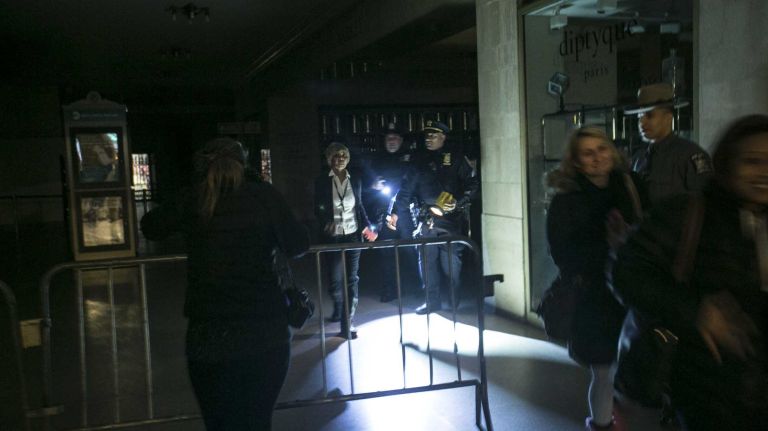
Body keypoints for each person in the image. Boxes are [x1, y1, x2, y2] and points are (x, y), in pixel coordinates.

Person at [140, 138, 309, 430]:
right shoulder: (264, 196)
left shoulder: (195, 197)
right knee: (257, 421)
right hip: (265, 328)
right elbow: (298, 245)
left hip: (210, 332)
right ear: (244, 164)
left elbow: (151, 226)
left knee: (219, 423)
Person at [613, 115, 768, 431]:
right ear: (726, 164)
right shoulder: (687, 215)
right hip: (705, 393)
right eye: (752, 161)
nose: (764, 172)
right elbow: (627, 273)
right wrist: (696, 310)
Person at [546, 126, 643, 431]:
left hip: (637, 291)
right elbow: (564, 256)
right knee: (604, 371)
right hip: (595, 297)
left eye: (602, 149)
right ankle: (601, 425)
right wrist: (609, 245)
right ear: (575, 161)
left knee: (638, 369)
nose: (598, 158)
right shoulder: (566, 201)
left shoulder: (632, 185)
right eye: (588, 153)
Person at [390, 120, 479, 315]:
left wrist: (459, 201)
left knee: (451, 263)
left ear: (443, 137)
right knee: (427, 262)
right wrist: (396, 212)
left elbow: (472, 183)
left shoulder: (455, 158)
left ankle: (454, 297)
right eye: (427, 135)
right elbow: (405, 190)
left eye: (433, 135)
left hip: (451, 218)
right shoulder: (419, 160)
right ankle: (432, 301)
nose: (429, 138)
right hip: (426, 219)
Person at [314, 142, 377, 339]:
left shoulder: (355, 178)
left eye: (343, 155)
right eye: (336, 155)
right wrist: (326, 222)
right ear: (329, 159)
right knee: (334, 279)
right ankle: (339, 304)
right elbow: (319, 207)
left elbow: (359, 206)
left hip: (352, 234)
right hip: (332, 237)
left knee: (352, 278)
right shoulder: (322, 180)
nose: (340, 158)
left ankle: (347, 320)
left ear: (348, 158)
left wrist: (367, 226)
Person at [626, 82, 713, 208]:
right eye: (639, 116)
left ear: (668, 117)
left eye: (649, 116)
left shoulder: (689, 155)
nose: (642, 122)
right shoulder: (639, 158)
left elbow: (706, 202)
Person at [369, 123, 418, 302]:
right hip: (384, 211)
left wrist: (399, 210)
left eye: (395, 138)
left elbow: (412, 187)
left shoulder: (409, 160)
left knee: (410, 252)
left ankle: (417, 288)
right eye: (388, 138)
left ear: (401, 140)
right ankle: (390, 289)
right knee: (386, 253)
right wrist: (373, 186)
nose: (391, 141)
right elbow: (368, 189)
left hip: (405, 213)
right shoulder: (377, 160)